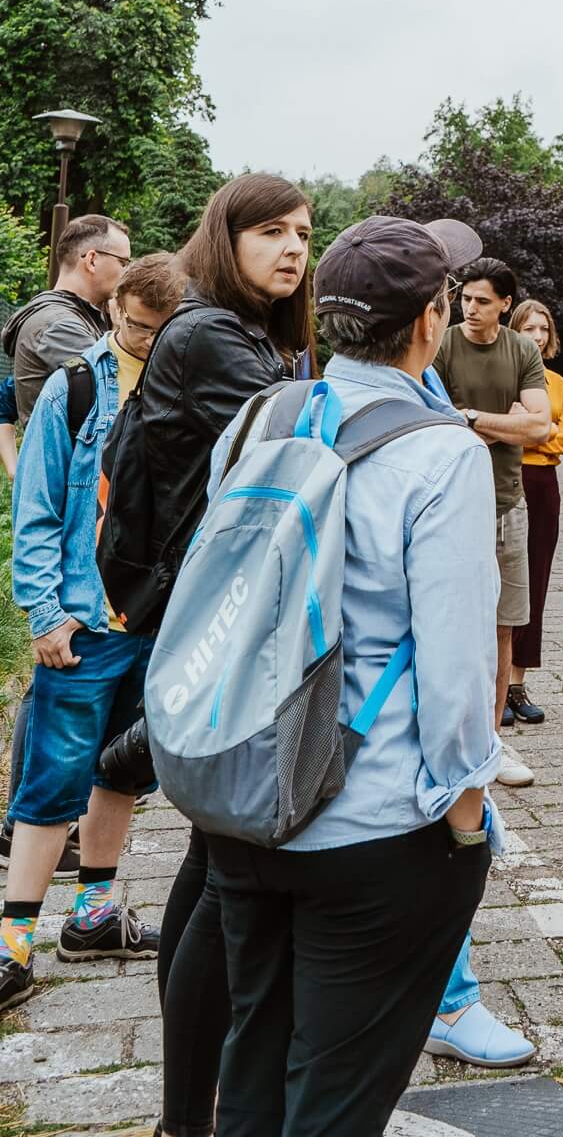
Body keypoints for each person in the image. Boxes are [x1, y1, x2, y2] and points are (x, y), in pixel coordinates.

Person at [203, 215, 499, 1135]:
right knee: (340, 1090)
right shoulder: (440, 449)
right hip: (371, 815)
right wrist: (462, 806)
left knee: (254, 1052)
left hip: (246, 796)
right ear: (429, 319)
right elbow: (455, 660)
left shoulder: (261, 415)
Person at [148, 174, 315, 1137]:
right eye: (270, 232)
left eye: (302, 233)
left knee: (209, 858)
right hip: (205, 625)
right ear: (227, 236)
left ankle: (187, 1114)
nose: (292, 249)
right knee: (221, 866)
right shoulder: (211, 333)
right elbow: (310, 446)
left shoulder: (250, 334)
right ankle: (186, 1119)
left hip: (210, 618)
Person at [0, 254, 185, 1014]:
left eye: (152, 328)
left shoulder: (191, 388)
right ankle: (12, 950)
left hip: (159, 620)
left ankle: (94, 919)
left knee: (124, 771)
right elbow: (38, 506)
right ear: (114, 308)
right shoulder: (78, 386)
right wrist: (44, 612)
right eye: (128, 322)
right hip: (84, 622)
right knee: (51, 781)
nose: (137, 337)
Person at [432, 257, 550, 790]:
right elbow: (433, 423)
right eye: (466, 298)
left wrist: (473, 418)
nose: (471, 308)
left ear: (506, 304)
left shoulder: (522, 349)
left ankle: (489, 740)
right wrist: (507, 424)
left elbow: (541, 427)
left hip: (507, 503)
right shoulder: (441, 345)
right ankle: (443, 736)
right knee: (451, 624)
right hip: (451, 503)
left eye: (483, 300)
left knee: (504, 627)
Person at [504, 299, 563, 727]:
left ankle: (516, 684)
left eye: (543, 329)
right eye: (529, 328)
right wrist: (533, 430)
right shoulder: (503, 376)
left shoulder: (557, 383)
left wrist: (532, 430)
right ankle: (491, 682)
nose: (537, 336)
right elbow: (499, 433)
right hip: (506, 480)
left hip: (544, 486)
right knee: (499, 583)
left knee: (535, 583)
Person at [1, 214, 131, 429]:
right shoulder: (60, 325)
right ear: (92, 260)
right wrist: (123, 329)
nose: (126, 273)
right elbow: (116, 396)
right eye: (123, 262)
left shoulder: (73, 316)